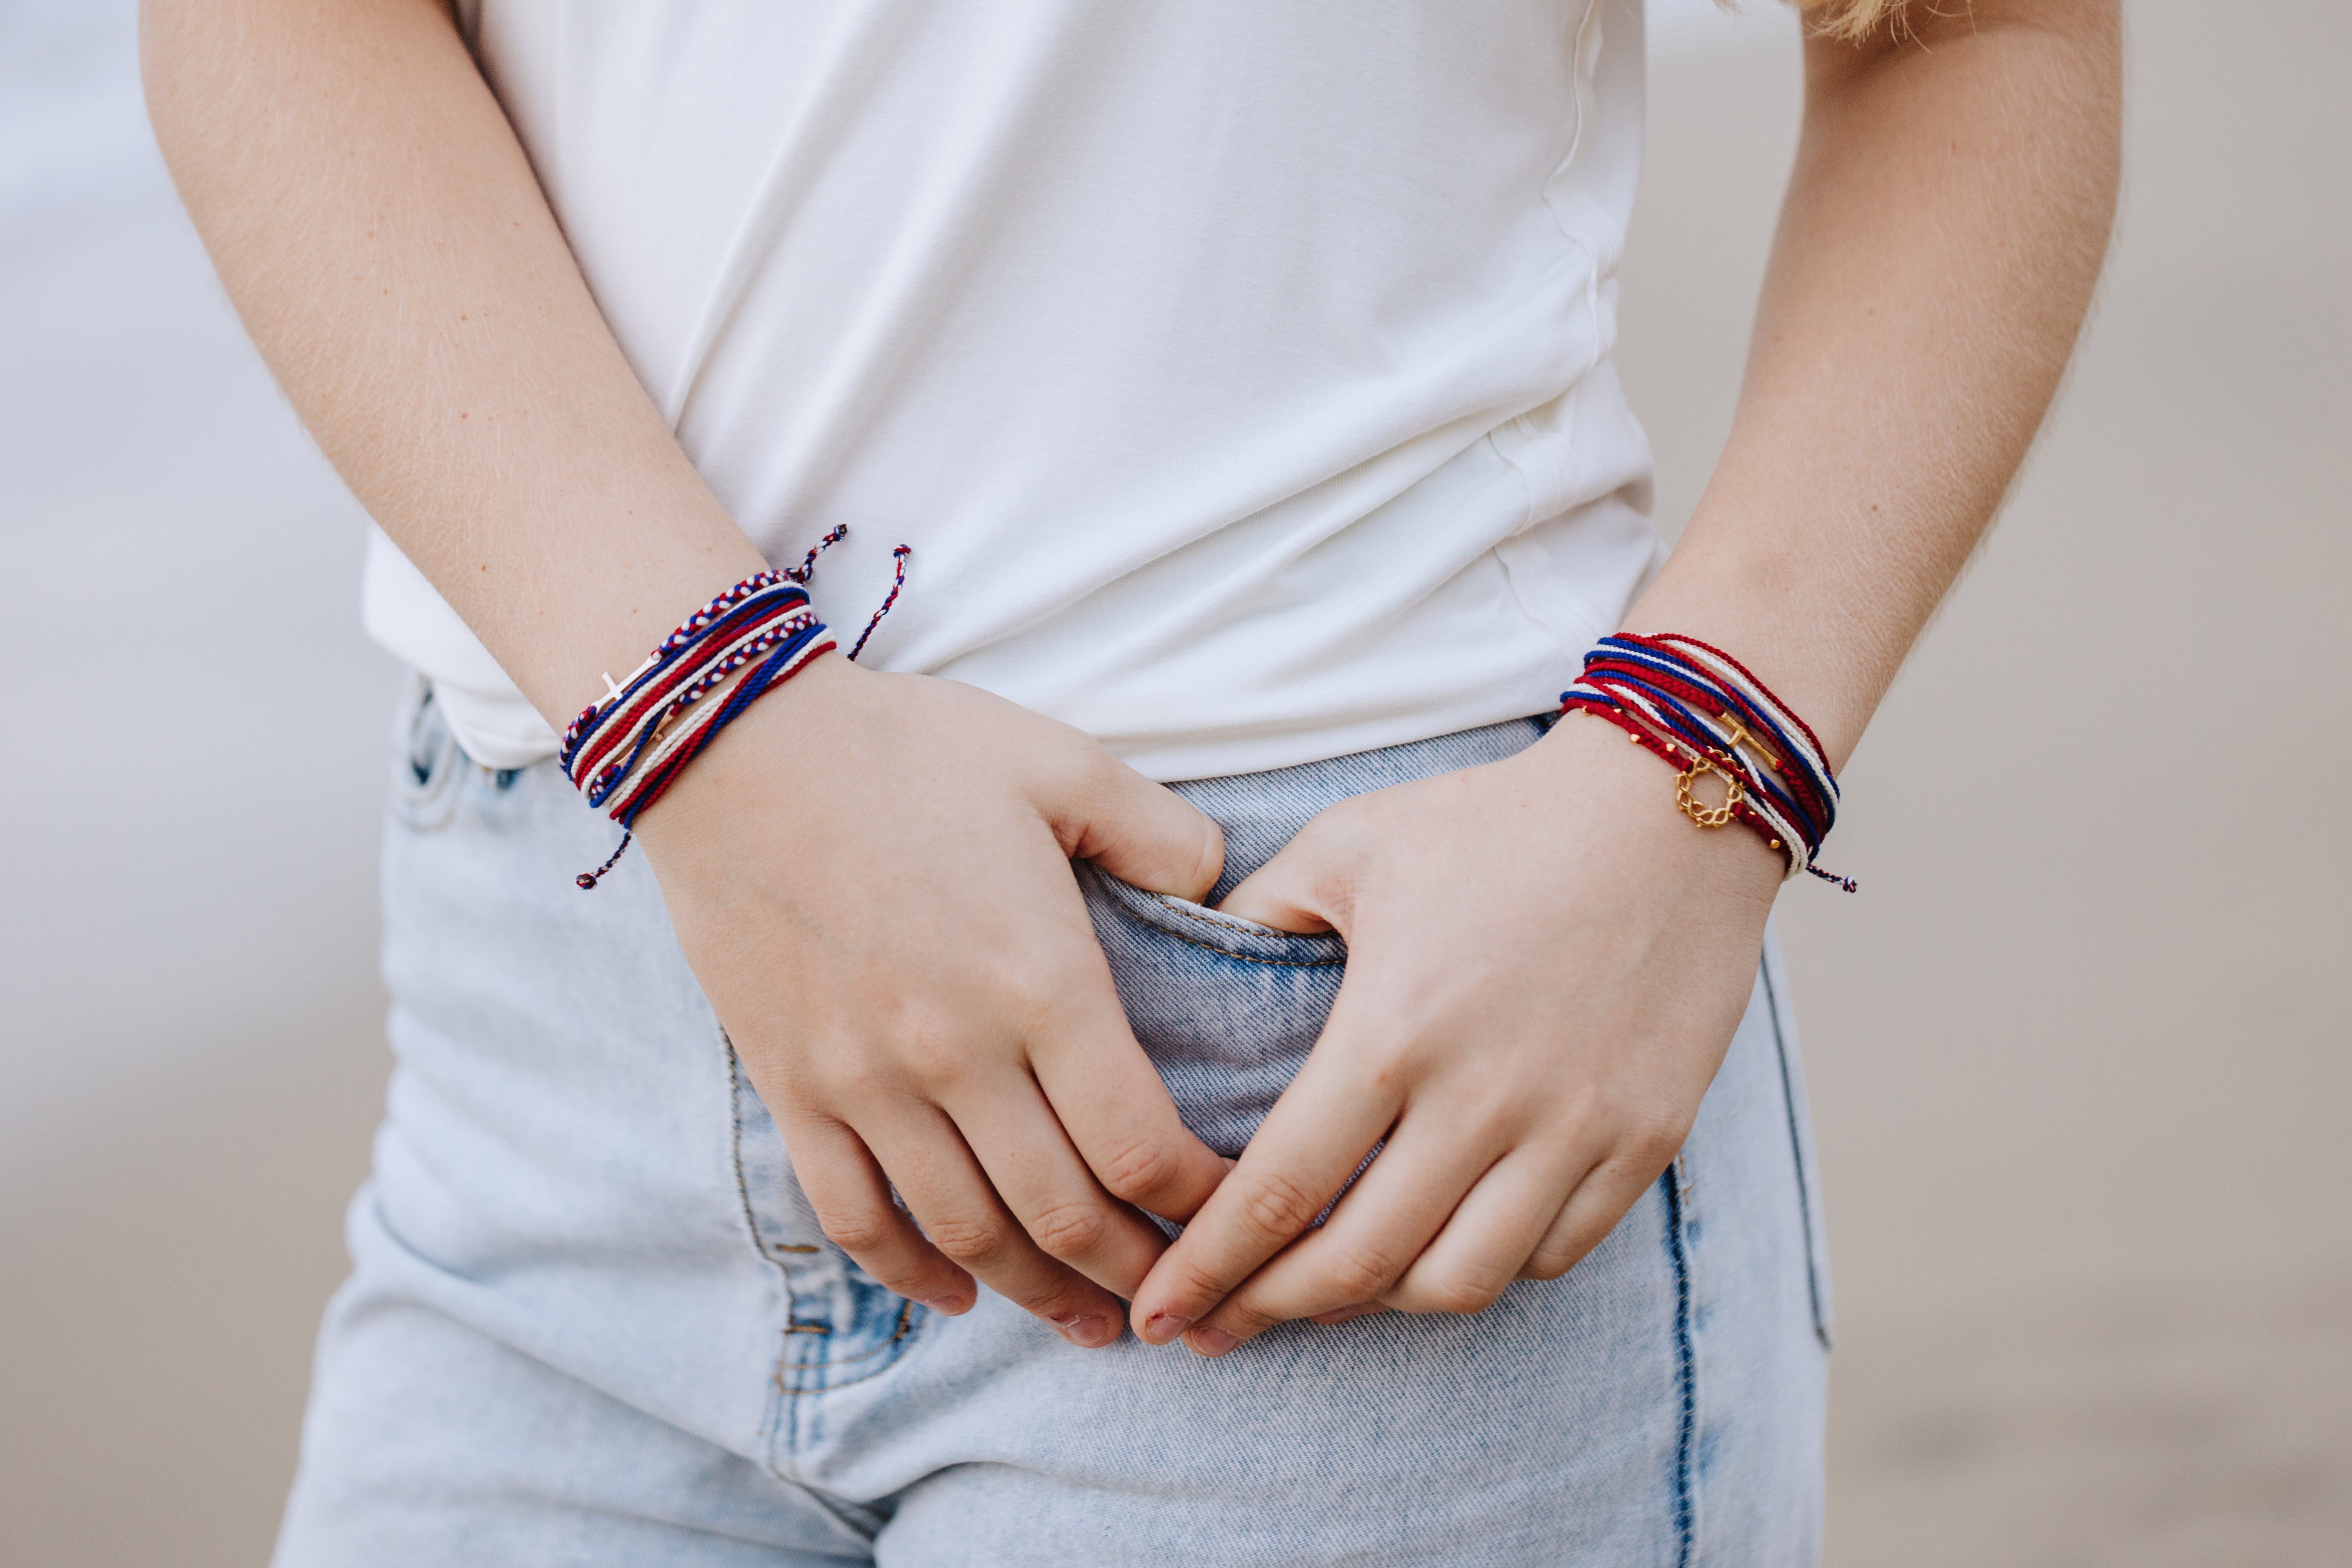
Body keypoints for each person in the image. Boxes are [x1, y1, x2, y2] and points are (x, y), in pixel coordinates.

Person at [145, 0, 2119, 1561]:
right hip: (560, 1038)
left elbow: (1969, 28)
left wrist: (1707, 767)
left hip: (1330, 1073)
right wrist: (710, 728)